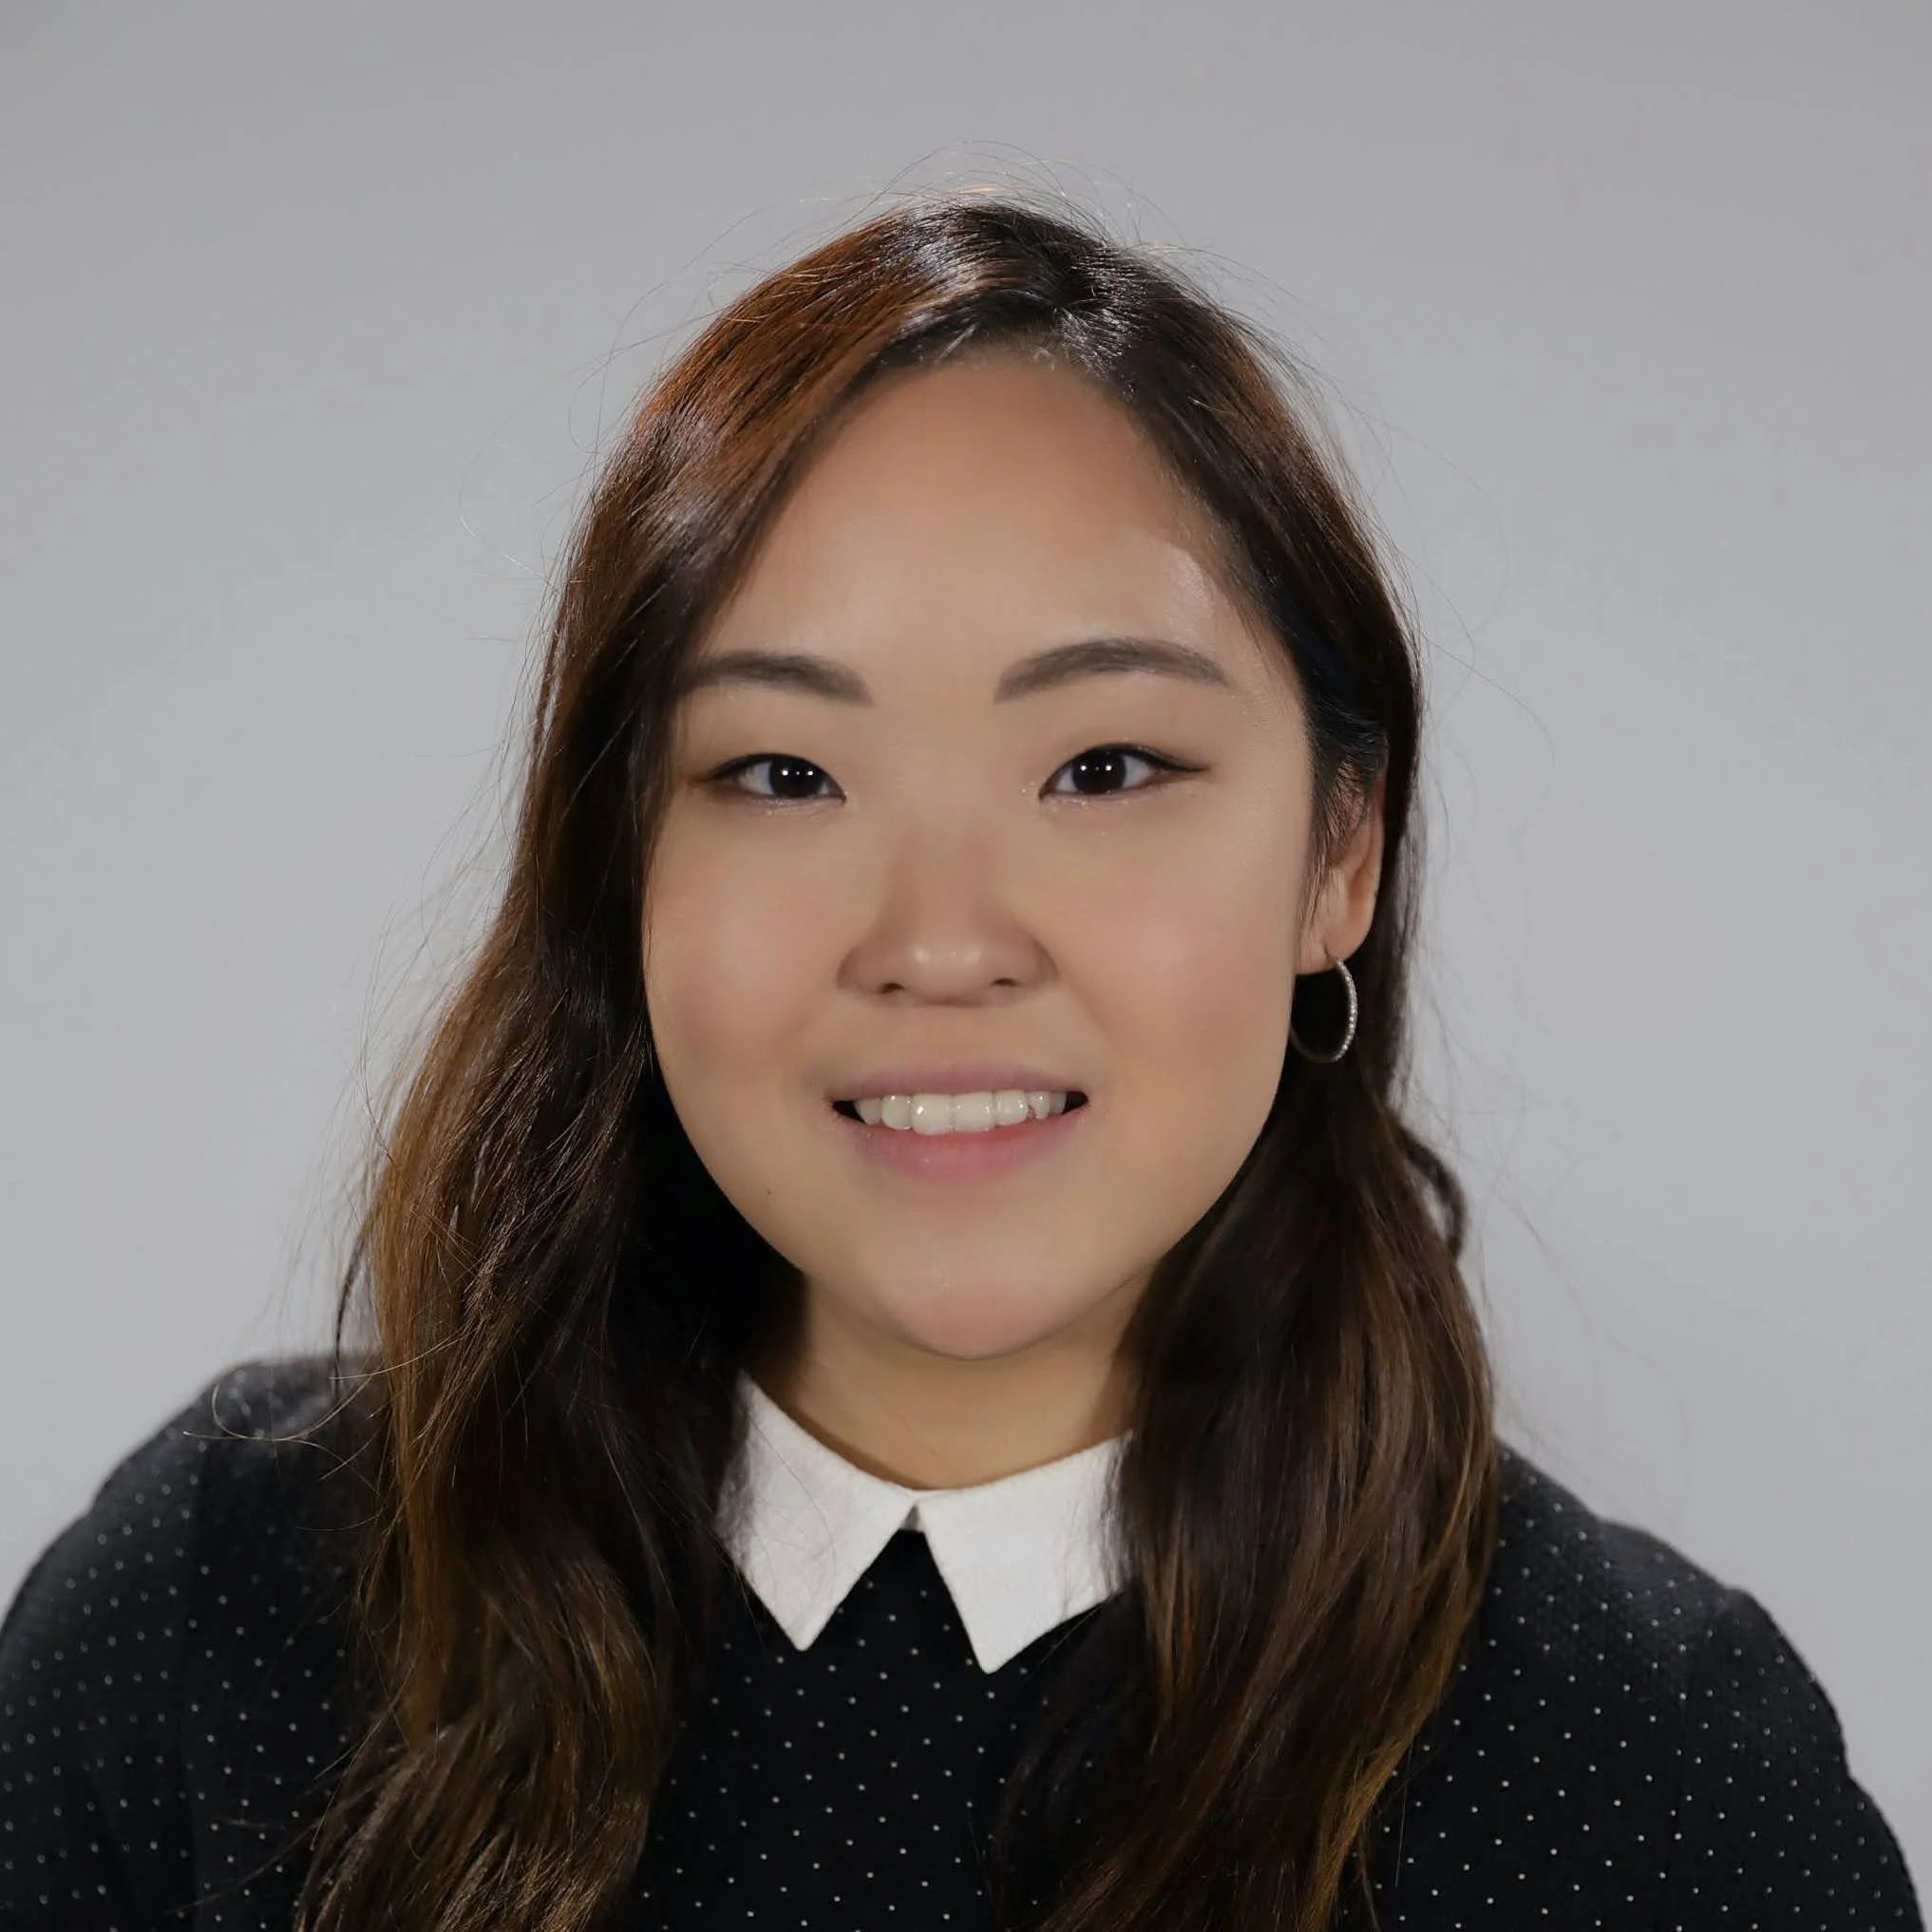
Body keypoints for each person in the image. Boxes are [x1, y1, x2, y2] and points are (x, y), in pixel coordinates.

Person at [0, 192, 1919, 1932]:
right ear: (623, 866)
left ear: (1342, 852)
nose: (937, 944)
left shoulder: (1664, 1784)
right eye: (781, 774)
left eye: (1104, 770)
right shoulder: (227, 1610)